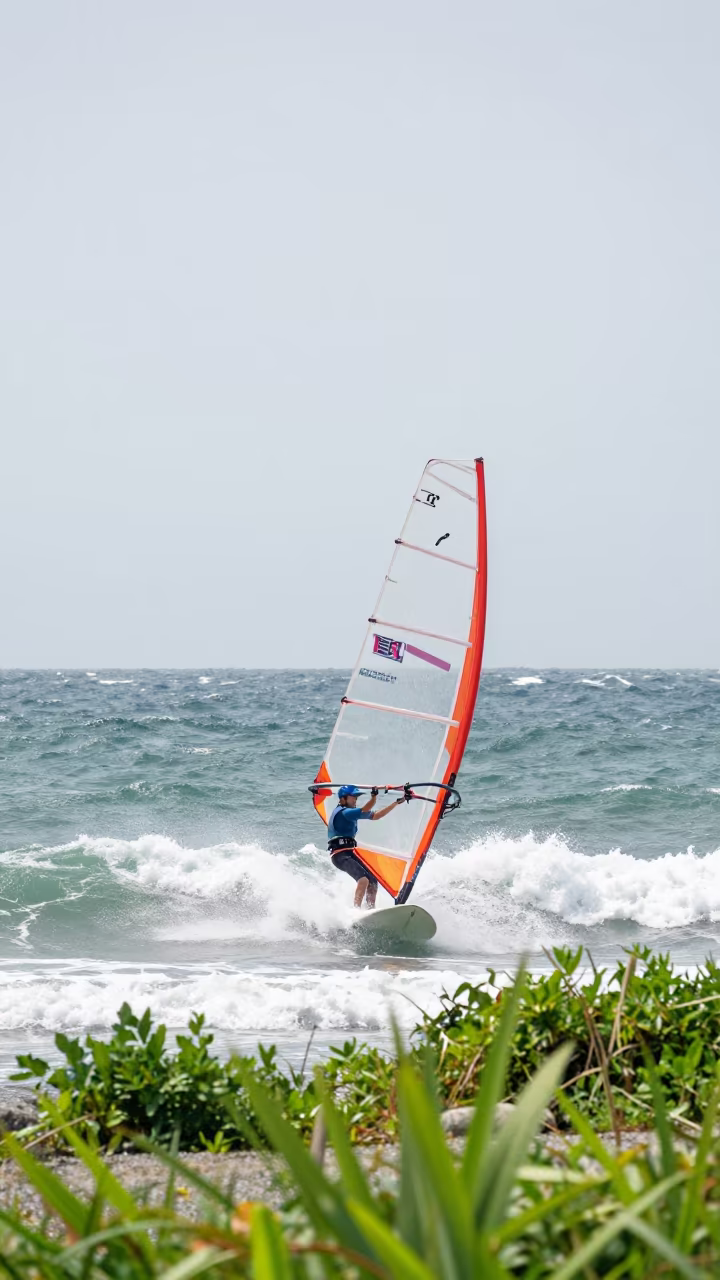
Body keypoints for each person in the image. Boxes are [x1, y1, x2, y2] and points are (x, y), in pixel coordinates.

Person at [328, 784, 408, 908]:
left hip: (350, 853)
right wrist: (373, 798)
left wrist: (396, 803)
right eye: (353, 797)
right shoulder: (344, 812)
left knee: (373, 881)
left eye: (356, 797)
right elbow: (364, 810)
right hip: (340, 855)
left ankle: (370, 909)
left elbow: (377, 815)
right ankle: (355, 911)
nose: (355, 800)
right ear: (343, 799)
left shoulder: (352, 813)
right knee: (363, 880)